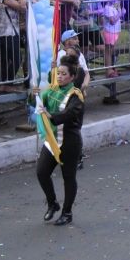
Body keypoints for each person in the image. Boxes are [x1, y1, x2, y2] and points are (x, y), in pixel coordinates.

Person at [34, 54, 86, 226]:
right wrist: (33, 94)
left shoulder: (76, 95)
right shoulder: (52, 90)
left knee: (68, 177)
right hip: (52, 140)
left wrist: (52, 116)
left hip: (70, 142)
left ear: (72, 77)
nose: (60, 76)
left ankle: (67, 212)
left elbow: (69, 114)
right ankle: (52, 203)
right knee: (41, 172)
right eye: (59, 73)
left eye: (64, 74)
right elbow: (40, 101)